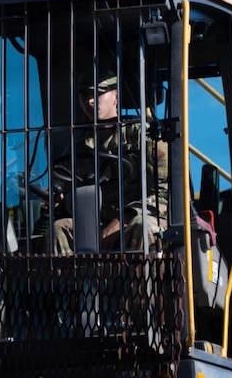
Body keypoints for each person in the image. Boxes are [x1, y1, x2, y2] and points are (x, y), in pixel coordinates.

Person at [49, 74, 168, 254]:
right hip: (96, 222)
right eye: (84, 95)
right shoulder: (78, 144)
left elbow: (165, 193)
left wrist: (124, 218)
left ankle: (136, 281)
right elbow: (66, 188)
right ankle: (70, 282)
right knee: (58, 228)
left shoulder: (145, 136)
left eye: (97, 93)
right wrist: (59, 200)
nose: (89, 101)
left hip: (143, 218)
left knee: (142, 226)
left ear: (116, 97)